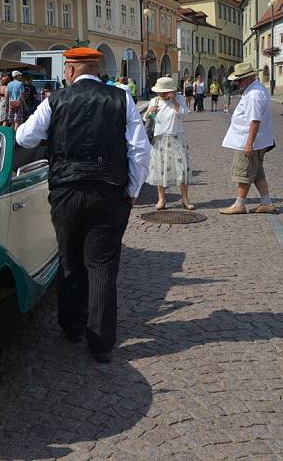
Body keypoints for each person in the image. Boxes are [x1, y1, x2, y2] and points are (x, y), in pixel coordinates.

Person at [15, 47, 151, 363]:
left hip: (66, 191)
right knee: (102, 266)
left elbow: (24, 137)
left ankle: (72, 327)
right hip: (109, 191)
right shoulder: (121, 98)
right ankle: (101, 343)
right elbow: (140, 151)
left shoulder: (55, 101)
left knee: (70, 259)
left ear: (74, 69)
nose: (65, 73)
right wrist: (131, 191)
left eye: (66, 68)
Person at [219, 62, 276, 215]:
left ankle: (239, 204)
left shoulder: (253, 95)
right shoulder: (256, 88)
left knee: (243, 172)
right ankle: (266, 202)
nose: (238, 83)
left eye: (241, 79)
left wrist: (248, 144)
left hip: (249, 140)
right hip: (255, 140)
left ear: (250, 77)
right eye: (238, 80)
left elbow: (254, 121)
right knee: (257, 172)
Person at [144, 78, 194, 210]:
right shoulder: (154, 101)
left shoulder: (179, 99)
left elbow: (183, 116)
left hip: (176, 137)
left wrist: (175, 102)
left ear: (171, 91)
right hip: (159, 139)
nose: (161, 95)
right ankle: (161, 199)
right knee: (160, 170)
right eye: (159, 92)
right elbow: (145, 118)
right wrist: (150, 112)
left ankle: (185, 199)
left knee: (182, 170)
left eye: (164, 92)